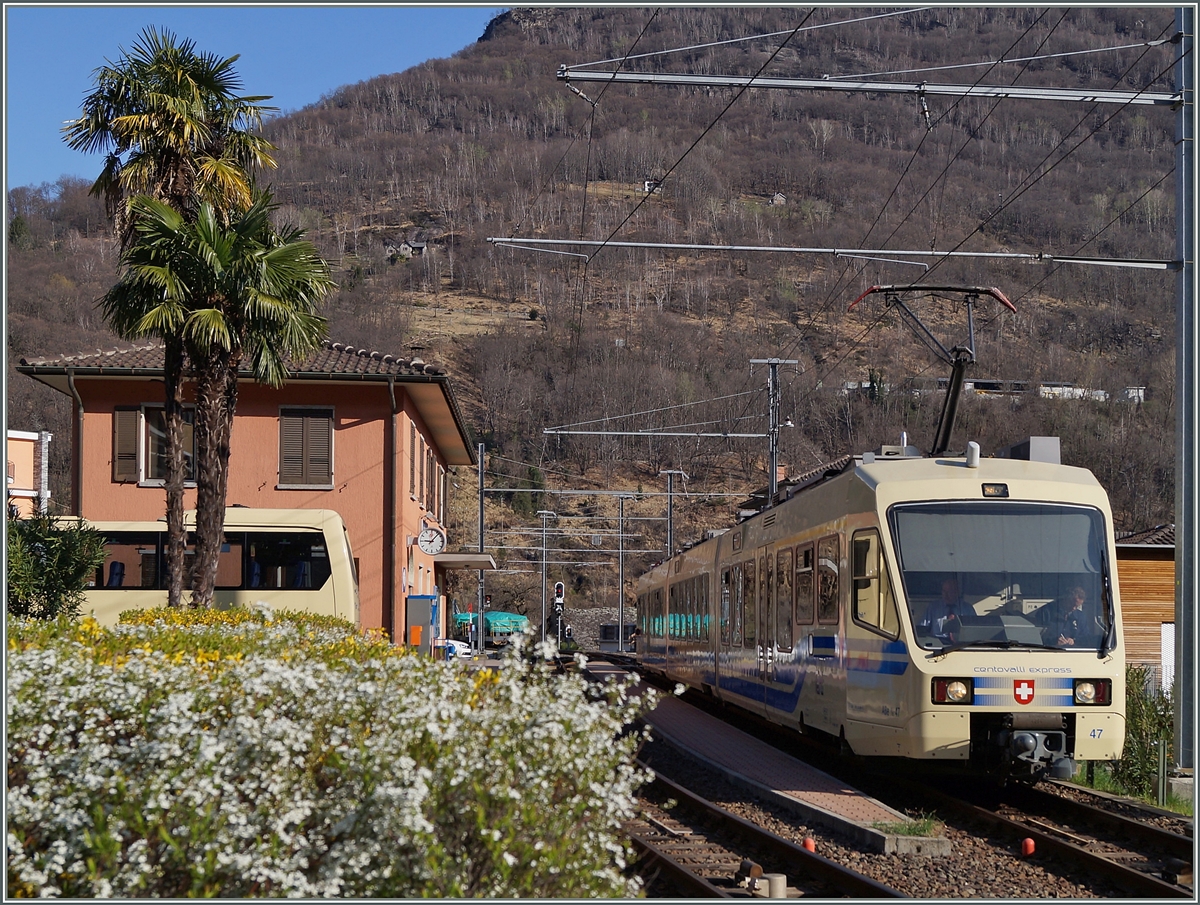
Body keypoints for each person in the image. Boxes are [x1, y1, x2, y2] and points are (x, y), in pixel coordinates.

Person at [920, 576, 965, 644]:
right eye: (944, 591)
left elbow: (974, 631)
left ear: (957, 592)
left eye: (949, 591)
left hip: (962, 644)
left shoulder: (967, 609)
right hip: (937, 644)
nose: (945, 595)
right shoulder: (933, 607)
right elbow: (922, 629)